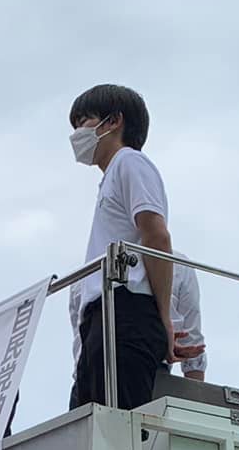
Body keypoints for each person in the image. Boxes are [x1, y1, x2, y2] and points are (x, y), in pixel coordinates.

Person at [64, 83, 197, 411]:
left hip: (125, 310)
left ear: (113, 121)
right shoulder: (113, 174)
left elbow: (156, 236)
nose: (78, 133)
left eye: (84, 121)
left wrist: (163, 318)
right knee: (97, 422)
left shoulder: (130, 162)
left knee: (120, 421)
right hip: (103, 314)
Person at [163, 262, 207, 380]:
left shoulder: (181, 265)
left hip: (156, 365)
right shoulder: (180, 264)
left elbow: (193, 347)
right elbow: (192, 341)